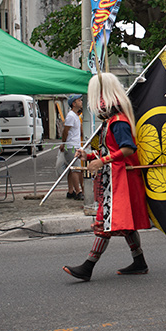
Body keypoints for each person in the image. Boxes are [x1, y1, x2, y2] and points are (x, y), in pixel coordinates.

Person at [63, 73, 151, 280]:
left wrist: (101, 161)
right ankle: (139, 260)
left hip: (119, 179)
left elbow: (128, 149)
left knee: (105, 222)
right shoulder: (112, 121)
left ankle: (88, 266)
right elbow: (108, 149)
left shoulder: (118, 122)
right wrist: (89, 155)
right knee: (122, 224)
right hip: (112, 178)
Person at [62, 94, 85, 200]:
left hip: (75, 144)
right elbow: (65, 131)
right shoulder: (71, 116)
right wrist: (64, 143)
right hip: (71, 145)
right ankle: (78, 191)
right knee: (76, 169)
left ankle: (71, 191)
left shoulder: (76, 115)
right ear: (74, 103)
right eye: (79, 100)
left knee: (72, 169)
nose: (81, 102)